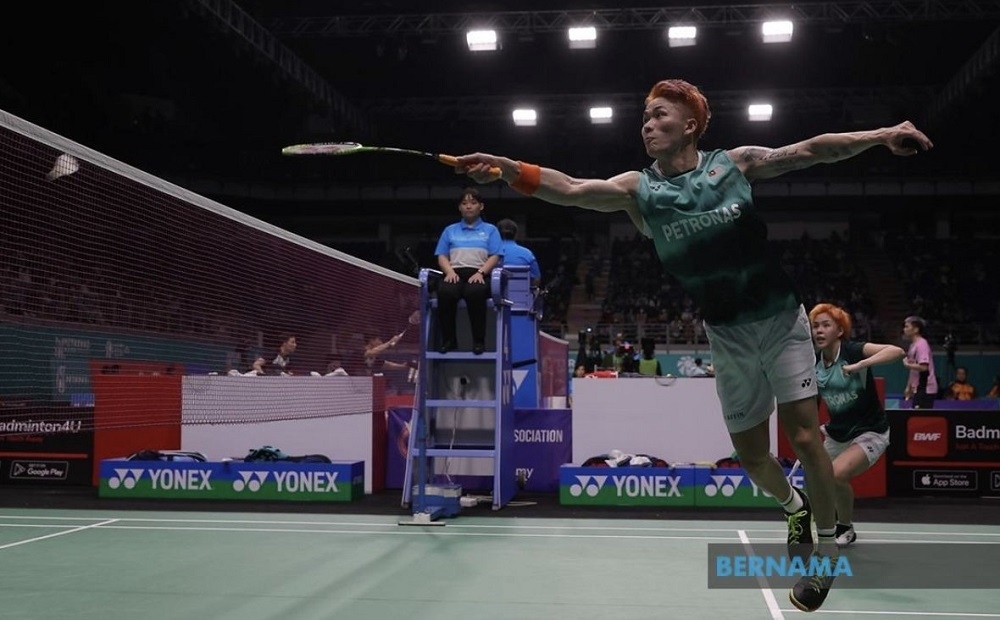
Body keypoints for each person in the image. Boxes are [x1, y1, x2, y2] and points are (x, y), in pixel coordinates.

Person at [456, 78, 933, 612]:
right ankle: (792, 504)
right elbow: (567, 188)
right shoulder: (640, 190)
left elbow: (811, 150)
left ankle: (822, 554)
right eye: (645, 117)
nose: (648, 124)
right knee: (753, 455)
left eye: (660, 115)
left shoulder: (733, 165)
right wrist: (504, 166)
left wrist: (881, 134)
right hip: (726, 333)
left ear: (690, 125)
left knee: (803, 436)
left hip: (781, 320)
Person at [810, 303, 905, 548]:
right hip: (837, 433)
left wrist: (860, 365)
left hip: (870, 431)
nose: (819, 330)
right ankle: (829, 524)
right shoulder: (815, 363)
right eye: (815, 326)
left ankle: (846, 528)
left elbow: (896, 351)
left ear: (840, 330)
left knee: (838, 474)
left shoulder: (852, 351)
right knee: (818, 480)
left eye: (826, 325)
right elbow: (813, 402)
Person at [434, 187, 502, 354]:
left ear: (481, 206)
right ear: (459, 207)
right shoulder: (450, 230)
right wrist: (449, 272)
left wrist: (481, 273)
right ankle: (449, 341)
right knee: (445, 292)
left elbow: (495, 256)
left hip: (478, 273)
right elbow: (442, 256)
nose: (468, 206)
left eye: (473, 203)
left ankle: (479, 341)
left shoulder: (490, 230)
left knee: (475, 293)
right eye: (464, 203)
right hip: (454, 272)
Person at [902, 316, 938, 409]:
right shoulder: (913, 345)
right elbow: (913, 369)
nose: (904, 329)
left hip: (926, 389)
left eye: (907, 326)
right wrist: (908, 387)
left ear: (916, 329)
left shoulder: (922, 345)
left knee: (922, 420)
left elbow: (924, 367)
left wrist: (907, 364)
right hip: (917, 388)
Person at [496, 218, 541, 289]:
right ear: (516, 234)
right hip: (522, 296)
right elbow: (536, 280)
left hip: (495, 296)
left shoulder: (490, 253)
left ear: (496, 234)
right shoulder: (528, 253)